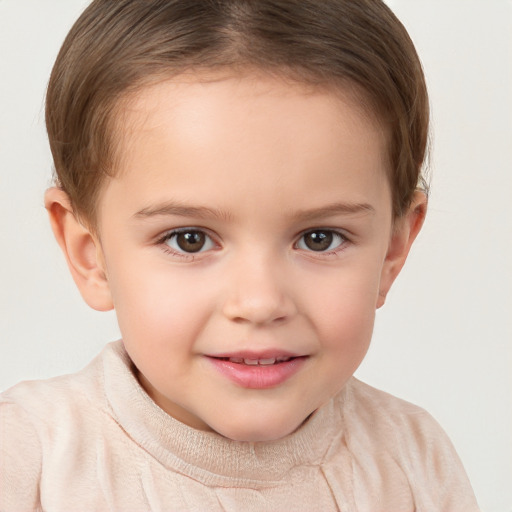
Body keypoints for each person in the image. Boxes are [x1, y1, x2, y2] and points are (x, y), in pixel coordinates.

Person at [0, 0, 480, 510]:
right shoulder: (28, 460)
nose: (259, 302)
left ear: (392, 250)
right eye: (190, 239)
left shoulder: (414, 463)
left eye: (319, 238)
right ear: (89, 252)